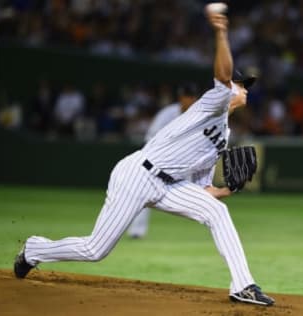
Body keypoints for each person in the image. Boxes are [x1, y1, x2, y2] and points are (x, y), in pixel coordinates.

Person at [14, 6, 274, 306]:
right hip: (138, 174)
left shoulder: (223, 136)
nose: (246, 91)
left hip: (169, 186)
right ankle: (34, 250)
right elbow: (224, 73)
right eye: (243, 85)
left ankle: (243, 285)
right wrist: (220, 32)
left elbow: (203, 189)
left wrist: (227, 189)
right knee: (95, 250)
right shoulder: (214, 102)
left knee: (217, 212)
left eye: (246, 87)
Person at [126, 83, 199, 239]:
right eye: (188, 96)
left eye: (193, 97)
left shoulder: (199, 115)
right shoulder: (167, 114)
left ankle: (205, 219)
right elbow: (150, 137)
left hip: (183, 161)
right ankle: (136, 231)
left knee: (194, 196)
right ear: (181, 98)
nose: (190, 100)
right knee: (143, 192)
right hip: (158, 158)